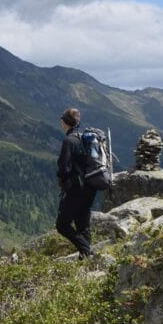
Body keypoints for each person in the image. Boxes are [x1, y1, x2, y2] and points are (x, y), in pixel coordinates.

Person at [56, 107, 96, 258]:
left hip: (76, 189)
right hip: (91, 187)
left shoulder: (69, 140)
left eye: (62, 119)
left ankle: (87, 250)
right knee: (82, 225)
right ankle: (86, 259)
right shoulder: (84, 138)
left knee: (62, 225)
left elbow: (63, 167)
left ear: (66, 122)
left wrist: (63, 181)